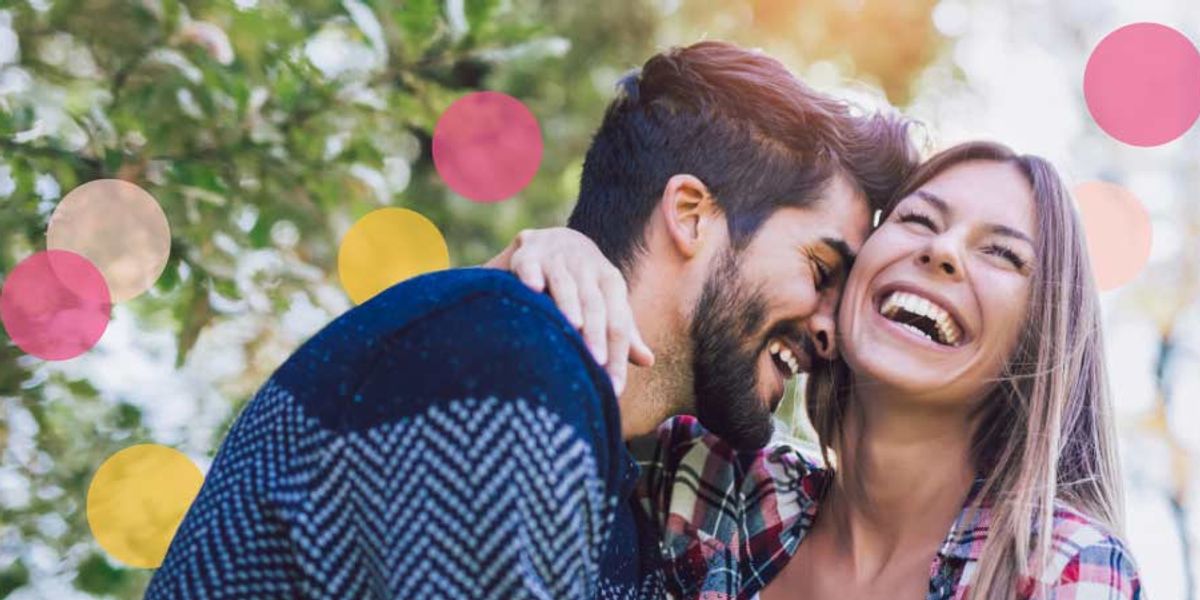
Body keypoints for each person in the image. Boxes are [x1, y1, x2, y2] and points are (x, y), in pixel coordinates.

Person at [145, 41, 916, 598]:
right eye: (820, 270)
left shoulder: (631, 485)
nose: (830, 327)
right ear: (690, 213)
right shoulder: (504, 356)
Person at [495, 141, 1142, 599]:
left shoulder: (1061, 570)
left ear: (1038, 339)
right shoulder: (720, 487)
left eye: (1002, 254)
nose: (942, 251)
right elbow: (505, 401)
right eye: (918, 220)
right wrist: (551, 262)